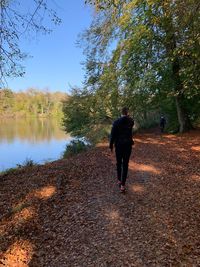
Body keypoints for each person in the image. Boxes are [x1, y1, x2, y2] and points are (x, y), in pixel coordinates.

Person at [109, 107, 134, 193]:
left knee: (119, 163)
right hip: (128, 145)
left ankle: (119, 180)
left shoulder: (116, 122)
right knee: (126, 164)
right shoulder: (131, 121)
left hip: (119, 145)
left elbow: (112, 135)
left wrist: (111, 145)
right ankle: (123, 185)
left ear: (121, 112)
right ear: (128, 113)